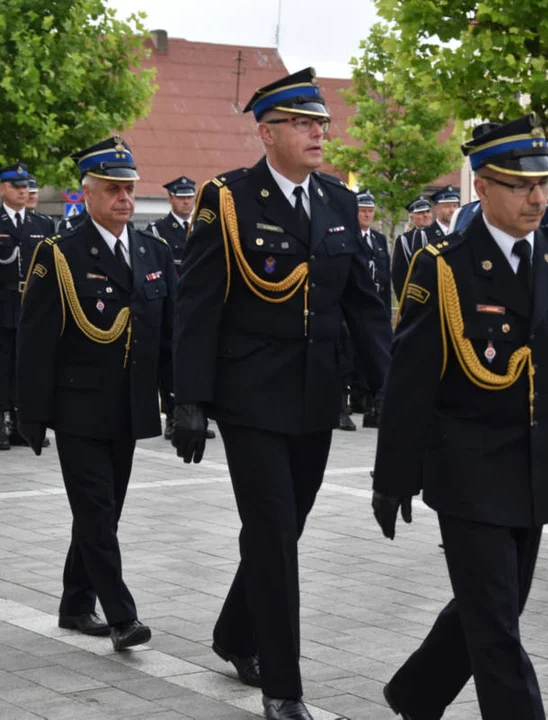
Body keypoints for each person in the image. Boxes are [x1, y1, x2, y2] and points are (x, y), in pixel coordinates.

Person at [371, 114, 548, 720]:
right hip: (467, 470)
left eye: (544, 184)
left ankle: (415, 693)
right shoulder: (444, 266)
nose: (538, 198)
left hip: (537, 467)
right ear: (482, 186)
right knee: (498, 621)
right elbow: (409, 383)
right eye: (520, 186)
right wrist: (392, 476)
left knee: (496, 607)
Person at [170, 67, 391, 720]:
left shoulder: (338, 202)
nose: (319, 132)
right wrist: (189, 398)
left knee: (283, 530)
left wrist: (395, 392)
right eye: (302, 122)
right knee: (271, 535)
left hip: (317, 396)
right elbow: (198, 303)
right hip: (250, 398)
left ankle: (234, 633)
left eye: (320, 122)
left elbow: (364, 308)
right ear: (266, 133)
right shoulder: (228, 199)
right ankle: (283, 688)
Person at [16, 135, 176, 652]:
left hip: (129, 406)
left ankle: (74, 602)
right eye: (113, 190)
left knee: (103, 513)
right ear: (87, 194)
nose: (125, 200)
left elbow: (166, 337)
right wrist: (31, 415)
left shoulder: (155, 251)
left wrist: (183, 400)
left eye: (129, 189)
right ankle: (123, 616)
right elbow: (35, 342)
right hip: (78, 406)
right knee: (95, 509)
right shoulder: (59, 254)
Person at [0, 163, 51, 450]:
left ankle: (24, 422)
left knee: (28, 368)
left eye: (26, 186)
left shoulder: (42, 225)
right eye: (16, 187)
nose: (23, 191)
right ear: (3, 189)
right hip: (0, 305)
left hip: (31, 308)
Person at [145, 176, 215, 441]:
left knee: (198, 359)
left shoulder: (203, 226)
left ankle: (197, 413)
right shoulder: (158, 229)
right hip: (172, 304)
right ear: (170, 199)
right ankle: (174, 415)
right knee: (170, 361)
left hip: (200, 304)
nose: (186, 202)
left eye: (190, 197)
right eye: (181, 197)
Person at [352, 190, 390, 427]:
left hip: (376, 303)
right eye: (363, 210)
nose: (367, 214)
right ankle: (349, 402)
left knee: (377, 353)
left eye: (370, 210)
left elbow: (385, 275)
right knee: (350, 355)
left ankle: (374, 402)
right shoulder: (350, 235)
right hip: (356, 304)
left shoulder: (378, 239)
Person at [390, 197, 443, 301]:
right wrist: (404, 304)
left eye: (428, 211)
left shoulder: (442, 235)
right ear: (411, 217)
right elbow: (399, 275)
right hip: (417, 296)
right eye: (420, 213)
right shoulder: (405, 240)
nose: (426, 215)